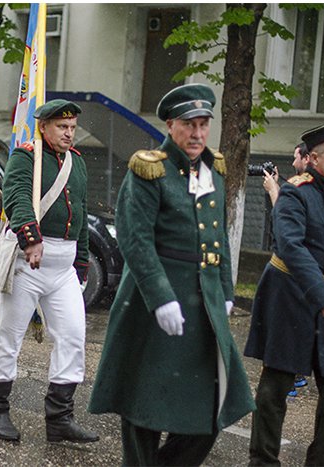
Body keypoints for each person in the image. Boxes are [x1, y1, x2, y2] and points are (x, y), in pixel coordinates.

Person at [88, 84, 255, 465]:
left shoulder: (212, 169)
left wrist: (225, 289)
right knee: (142, 403)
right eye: (188, 125)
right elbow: (135, 239)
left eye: (203, 125)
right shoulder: (150, 169)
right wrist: (161, 296)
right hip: (154, 302)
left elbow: (218, 235)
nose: (197, 134)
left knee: (214, 404)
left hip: (203, 304)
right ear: (170, 125)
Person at [0, 99, 99, 444]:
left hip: (62, 266)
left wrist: (81, 263)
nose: (68, 133)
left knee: (73, 336)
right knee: (9, 336)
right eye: (62, 127)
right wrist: (30, 238)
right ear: (44, 126)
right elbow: (16, 197)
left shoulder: (76, 163)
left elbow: (80, 211)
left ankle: (60, 418)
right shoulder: (25, 156)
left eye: (72, 128)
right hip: (28, 260)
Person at [244, 122, 324, 466]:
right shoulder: (295, 192)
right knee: (275, 387)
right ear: (314, 159)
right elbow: (290, 246)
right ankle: (262, 460)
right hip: (291, 299)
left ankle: (322, 462)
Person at [261, 142, 310, 397]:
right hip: (303, 270)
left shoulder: (301, 186)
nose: (293, 163)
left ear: (306, 157)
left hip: (291, 270)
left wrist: (273, 190)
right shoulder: (304, 186)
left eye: (296, 157)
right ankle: (297, 375)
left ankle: (289, 379)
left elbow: (285, 221)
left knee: (285, 326)